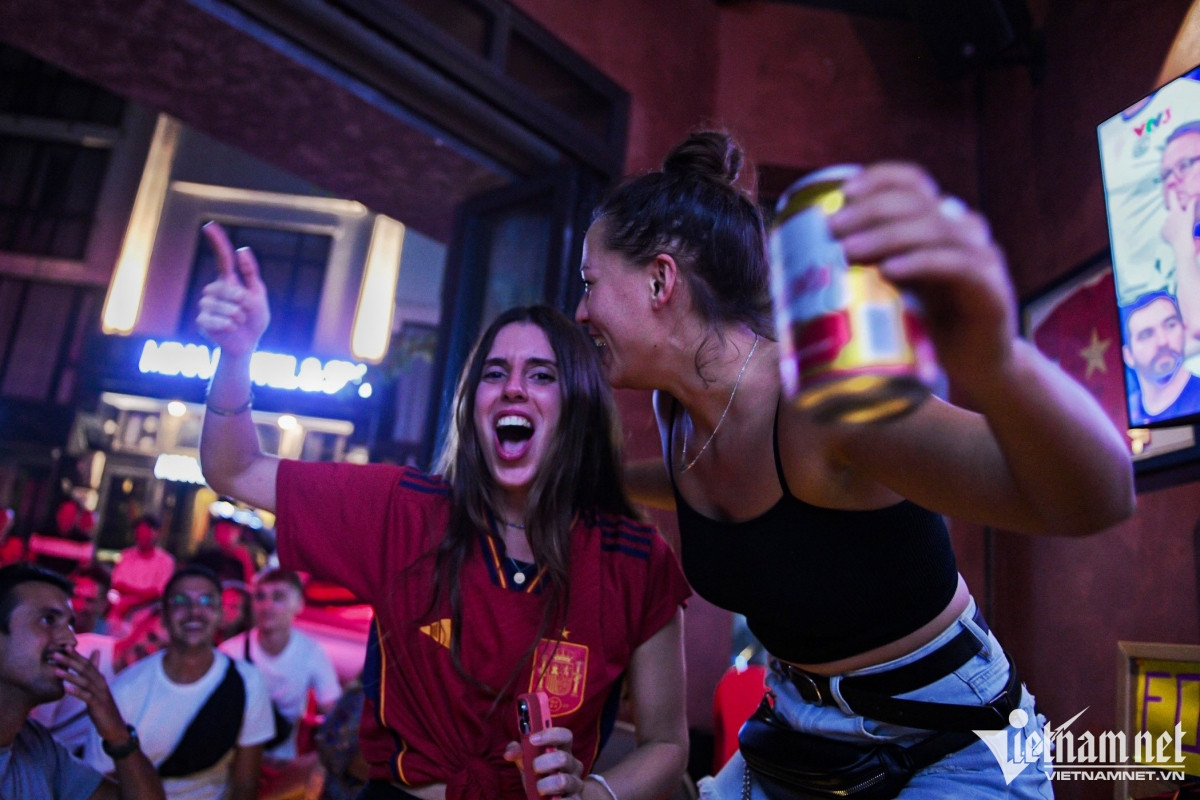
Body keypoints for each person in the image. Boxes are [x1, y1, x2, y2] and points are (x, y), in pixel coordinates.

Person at [573, 131, 1136, 798]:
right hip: (800, 725)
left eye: (589, 284)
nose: (581, 311)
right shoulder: (676, 413)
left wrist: (996, 359)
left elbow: (1098, 497)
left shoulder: (820, 403)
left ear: (660, 280)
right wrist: (606, 480)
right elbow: (707, 485)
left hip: (953, 738)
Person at [196, 221, 691, 800]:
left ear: (578, 407)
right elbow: (234, 469)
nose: (513, 389)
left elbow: (667, 744)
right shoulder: (402, 513)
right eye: (494, 373)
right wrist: (236, 355)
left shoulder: (633, 559)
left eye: (542, 375)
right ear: (471, 407)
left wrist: (595, 796)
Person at [84, 565, 275, 800]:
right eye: (181, 601)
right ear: (164, 614)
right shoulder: (125, 690)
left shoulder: (247, 682)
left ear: (221, 614)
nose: (195, 611)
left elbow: (245, 784)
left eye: (207, 601)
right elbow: (101, 782)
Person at [0, 563, 165, 800]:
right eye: (48, 620)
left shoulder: (39, 748)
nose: (71, 640)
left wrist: (119, 736)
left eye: (70, 624)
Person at [219, 568, 341, 760]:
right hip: (232, 758)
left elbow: (334, 710)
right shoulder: (229, 653)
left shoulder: (311, 653)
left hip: (282, 761)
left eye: (278, 597)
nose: (267, 605)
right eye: (260, 596)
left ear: (298, 604)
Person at [30, 564, 120, 757]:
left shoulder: (112, 640)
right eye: (75, 597)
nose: (79, 606)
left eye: (89, 600)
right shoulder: (44, 632)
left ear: (103, 604)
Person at [1121, 290, 1200, 425]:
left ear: (1184, 330)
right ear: (1128, 356)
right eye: (1146, 334)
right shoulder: (1128, 414)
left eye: (1170, 325)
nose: (1163, 341)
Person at [110, 515, 175, 625]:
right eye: (139, 532)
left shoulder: (166, 560)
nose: (142, 536)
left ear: (157, 533)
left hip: (150, 616)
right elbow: (117, 583)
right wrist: (132, 599)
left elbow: (160, 591)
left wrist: (132, 601)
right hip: (120, 612)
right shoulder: (126, 555)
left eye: (146, 532)